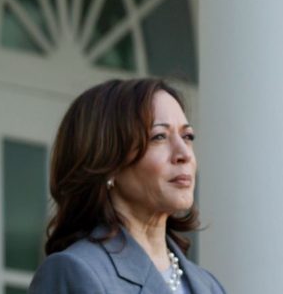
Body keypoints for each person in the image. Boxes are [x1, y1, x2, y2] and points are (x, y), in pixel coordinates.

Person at [29, 79, 225, 293]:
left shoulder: (209, 286)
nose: (184, 154)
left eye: (187, 136)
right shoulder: (75, 271)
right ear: (108, 162)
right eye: (159, 137)